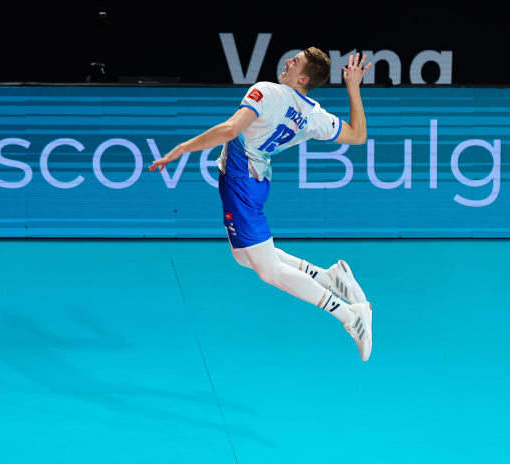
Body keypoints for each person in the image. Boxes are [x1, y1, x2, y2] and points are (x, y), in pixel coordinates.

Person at [150, 48, 375, 361]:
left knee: (269, 272)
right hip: (253, 183)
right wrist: (353, 87)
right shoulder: (312, 113)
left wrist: (181, 149)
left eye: (294, 62)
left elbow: (230, 129)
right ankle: (329, 277)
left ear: (304, 78)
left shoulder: (266, 91)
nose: (287, 61)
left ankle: (350, 315)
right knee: (245, 257)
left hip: (242, 184)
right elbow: (358, 135)